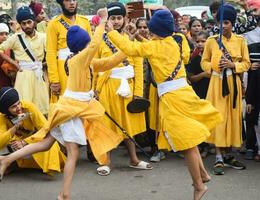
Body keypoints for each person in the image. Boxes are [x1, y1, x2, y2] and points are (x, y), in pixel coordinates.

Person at [0, 8, 126, 200]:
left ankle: (7, 158)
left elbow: (112, 60)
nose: (91, 42)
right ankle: (64, 194)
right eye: (88, 41)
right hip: (70, 110)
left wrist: (131, 45)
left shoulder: (87, 62)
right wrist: (102, 22)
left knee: (47, 143)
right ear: (85, 43)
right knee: (72, 153)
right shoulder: (77, 60)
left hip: (72, 108)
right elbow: (95, 45)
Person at [105, 9, 223, 200]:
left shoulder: (155, 46)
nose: (148, 33)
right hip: (183, 93)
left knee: (186, 144)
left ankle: (199, 186)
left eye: (150, 30)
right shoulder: (173, 42)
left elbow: (131, 49)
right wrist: (138, 36)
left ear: (156, 31)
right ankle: (203, 174)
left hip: (174, 99)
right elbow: (152, 48)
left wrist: (111, 31)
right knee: (190, 140)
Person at [95, 2, 151, 176]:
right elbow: (95, 67)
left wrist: (138, 93)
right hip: (108, 86)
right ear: (107, 20)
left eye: (120, 18)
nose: (117, 21)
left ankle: (133, 159)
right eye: (113, 18)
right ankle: (106, 162)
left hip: (129, 84)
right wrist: (95, 90)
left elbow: (139, 67)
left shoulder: (130, 38)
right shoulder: (99, 38)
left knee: (129, 126)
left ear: (125, 18)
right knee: (107, 126)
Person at [201, 4, 250, 175]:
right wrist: (214, 67)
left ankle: (230, 154)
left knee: (233, 119)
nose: (224, 26)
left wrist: (232, 65)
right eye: (221, 22)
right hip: (216, 84)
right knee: (219, 119)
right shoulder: (211, 41)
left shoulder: (241, 41)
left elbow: (247, 63)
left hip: (233, 84)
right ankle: (219, 157)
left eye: (227, 22)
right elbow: (204, 62)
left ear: (233, 23)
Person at [0, 87, 66, 175]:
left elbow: (45, 129)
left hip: (34, 140)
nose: (18, 108)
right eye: (13, 107)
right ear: (6, 110)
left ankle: (32, 163)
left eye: (18, 103)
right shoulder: (1, 118)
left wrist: (24, 142)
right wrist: (14, 128)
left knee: (48, 142)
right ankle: (13, 163)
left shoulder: (29, 107)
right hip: (16, 142)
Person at [0, 7, 49, 115]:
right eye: (23, 23)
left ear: (34, 22)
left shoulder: (43, 37)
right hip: (23, 75)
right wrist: (14, 63)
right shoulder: (16, 37)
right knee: (24, 105)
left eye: (29, 22)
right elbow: (0, 50)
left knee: (41, 106)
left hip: (39, 74)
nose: (27, 26)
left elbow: (51, 52)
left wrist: (43, 64)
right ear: (20, 25)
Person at [47, 0, 92, 102]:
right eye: (68, 0)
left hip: (83, 68)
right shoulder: (54, 24)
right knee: (65, 102)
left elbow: (91, 49)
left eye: (74, 0)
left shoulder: (84, 22)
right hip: (64, 70)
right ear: (62, 2)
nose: (72, 3)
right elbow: (51, 53)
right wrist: (54, 80)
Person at [243, 0, 260, 160]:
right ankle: (251, 146)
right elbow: (244, 61)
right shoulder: (249, 40)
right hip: (253, 82)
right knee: (252, 115)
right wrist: (249, 66)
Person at [0, 23, 13, 88]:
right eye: (1, 34)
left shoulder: (10, 48)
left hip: (8, 80)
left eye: (6, 34)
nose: (4, 36)